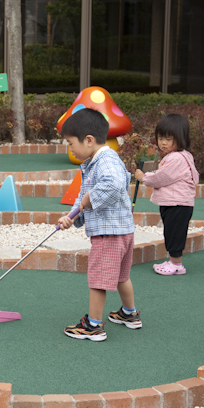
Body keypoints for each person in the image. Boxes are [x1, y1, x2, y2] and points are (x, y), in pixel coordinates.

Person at [58, 108, 141, 341]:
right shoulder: (100, 161)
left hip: (108, 234)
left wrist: (88, 200)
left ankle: (93, 326)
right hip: (122, 231)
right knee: (121, 276)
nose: (70, 149)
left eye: (71, 143)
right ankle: (129, 313)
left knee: (98, 280)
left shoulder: (104, 161)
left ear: (89, 140)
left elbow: (113, 186)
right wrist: (72, 216)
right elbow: (87, 198)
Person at [134, 114, 199, 276]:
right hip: (177, 203)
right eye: (160, 138)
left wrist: (144, 177)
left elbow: (161, 178)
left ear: (180, 138)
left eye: (168, 139)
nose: (163, 143)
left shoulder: (175, 158)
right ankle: (173, 261)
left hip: (176, 203)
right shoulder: (184, 156)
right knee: (172, 232)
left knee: (174, 233)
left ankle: (176, 264)